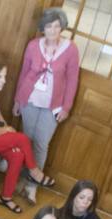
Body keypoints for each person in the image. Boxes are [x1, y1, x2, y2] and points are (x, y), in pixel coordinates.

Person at [0, 61, 56, 214]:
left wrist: (8, 135)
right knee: (23, 139)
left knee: (17, 154)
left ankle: (6, 197)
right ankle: (34, 172)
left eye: (4, 77)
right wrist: (8, 133)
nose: (4, 81)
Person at [13, 8, 80, 204]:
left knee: (41, 145)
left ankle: (32, 185)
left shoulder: (71, 49)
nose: (53, 29)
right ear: (43, 27)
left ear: (62, 27)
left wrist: (66, 107)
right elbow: (24, 72)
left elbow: (72, 80)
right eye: (49, 25)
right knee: (26, 142)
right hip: (30, 100)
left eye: (57, 25)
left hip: (53, 107)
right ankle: (20, 180)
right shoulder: (33, 45)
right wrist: (18, 100)